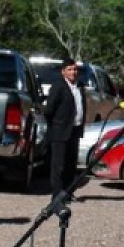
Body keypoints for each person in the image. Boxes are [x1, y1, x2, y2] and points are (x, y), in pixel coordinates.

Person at [44, 57, 84, 196]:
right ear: (63, 72)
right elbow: (49, 110)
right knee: (58, 165)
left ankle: (68, 191)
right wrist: (55, 125)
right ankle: (57, 194)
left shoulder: (79, 86)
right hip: (60, 131)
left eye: (75, 69)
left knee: (71, 164)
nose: (73, 72)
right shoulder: (58, 86)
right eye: (70, 69)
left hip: (75, 130)